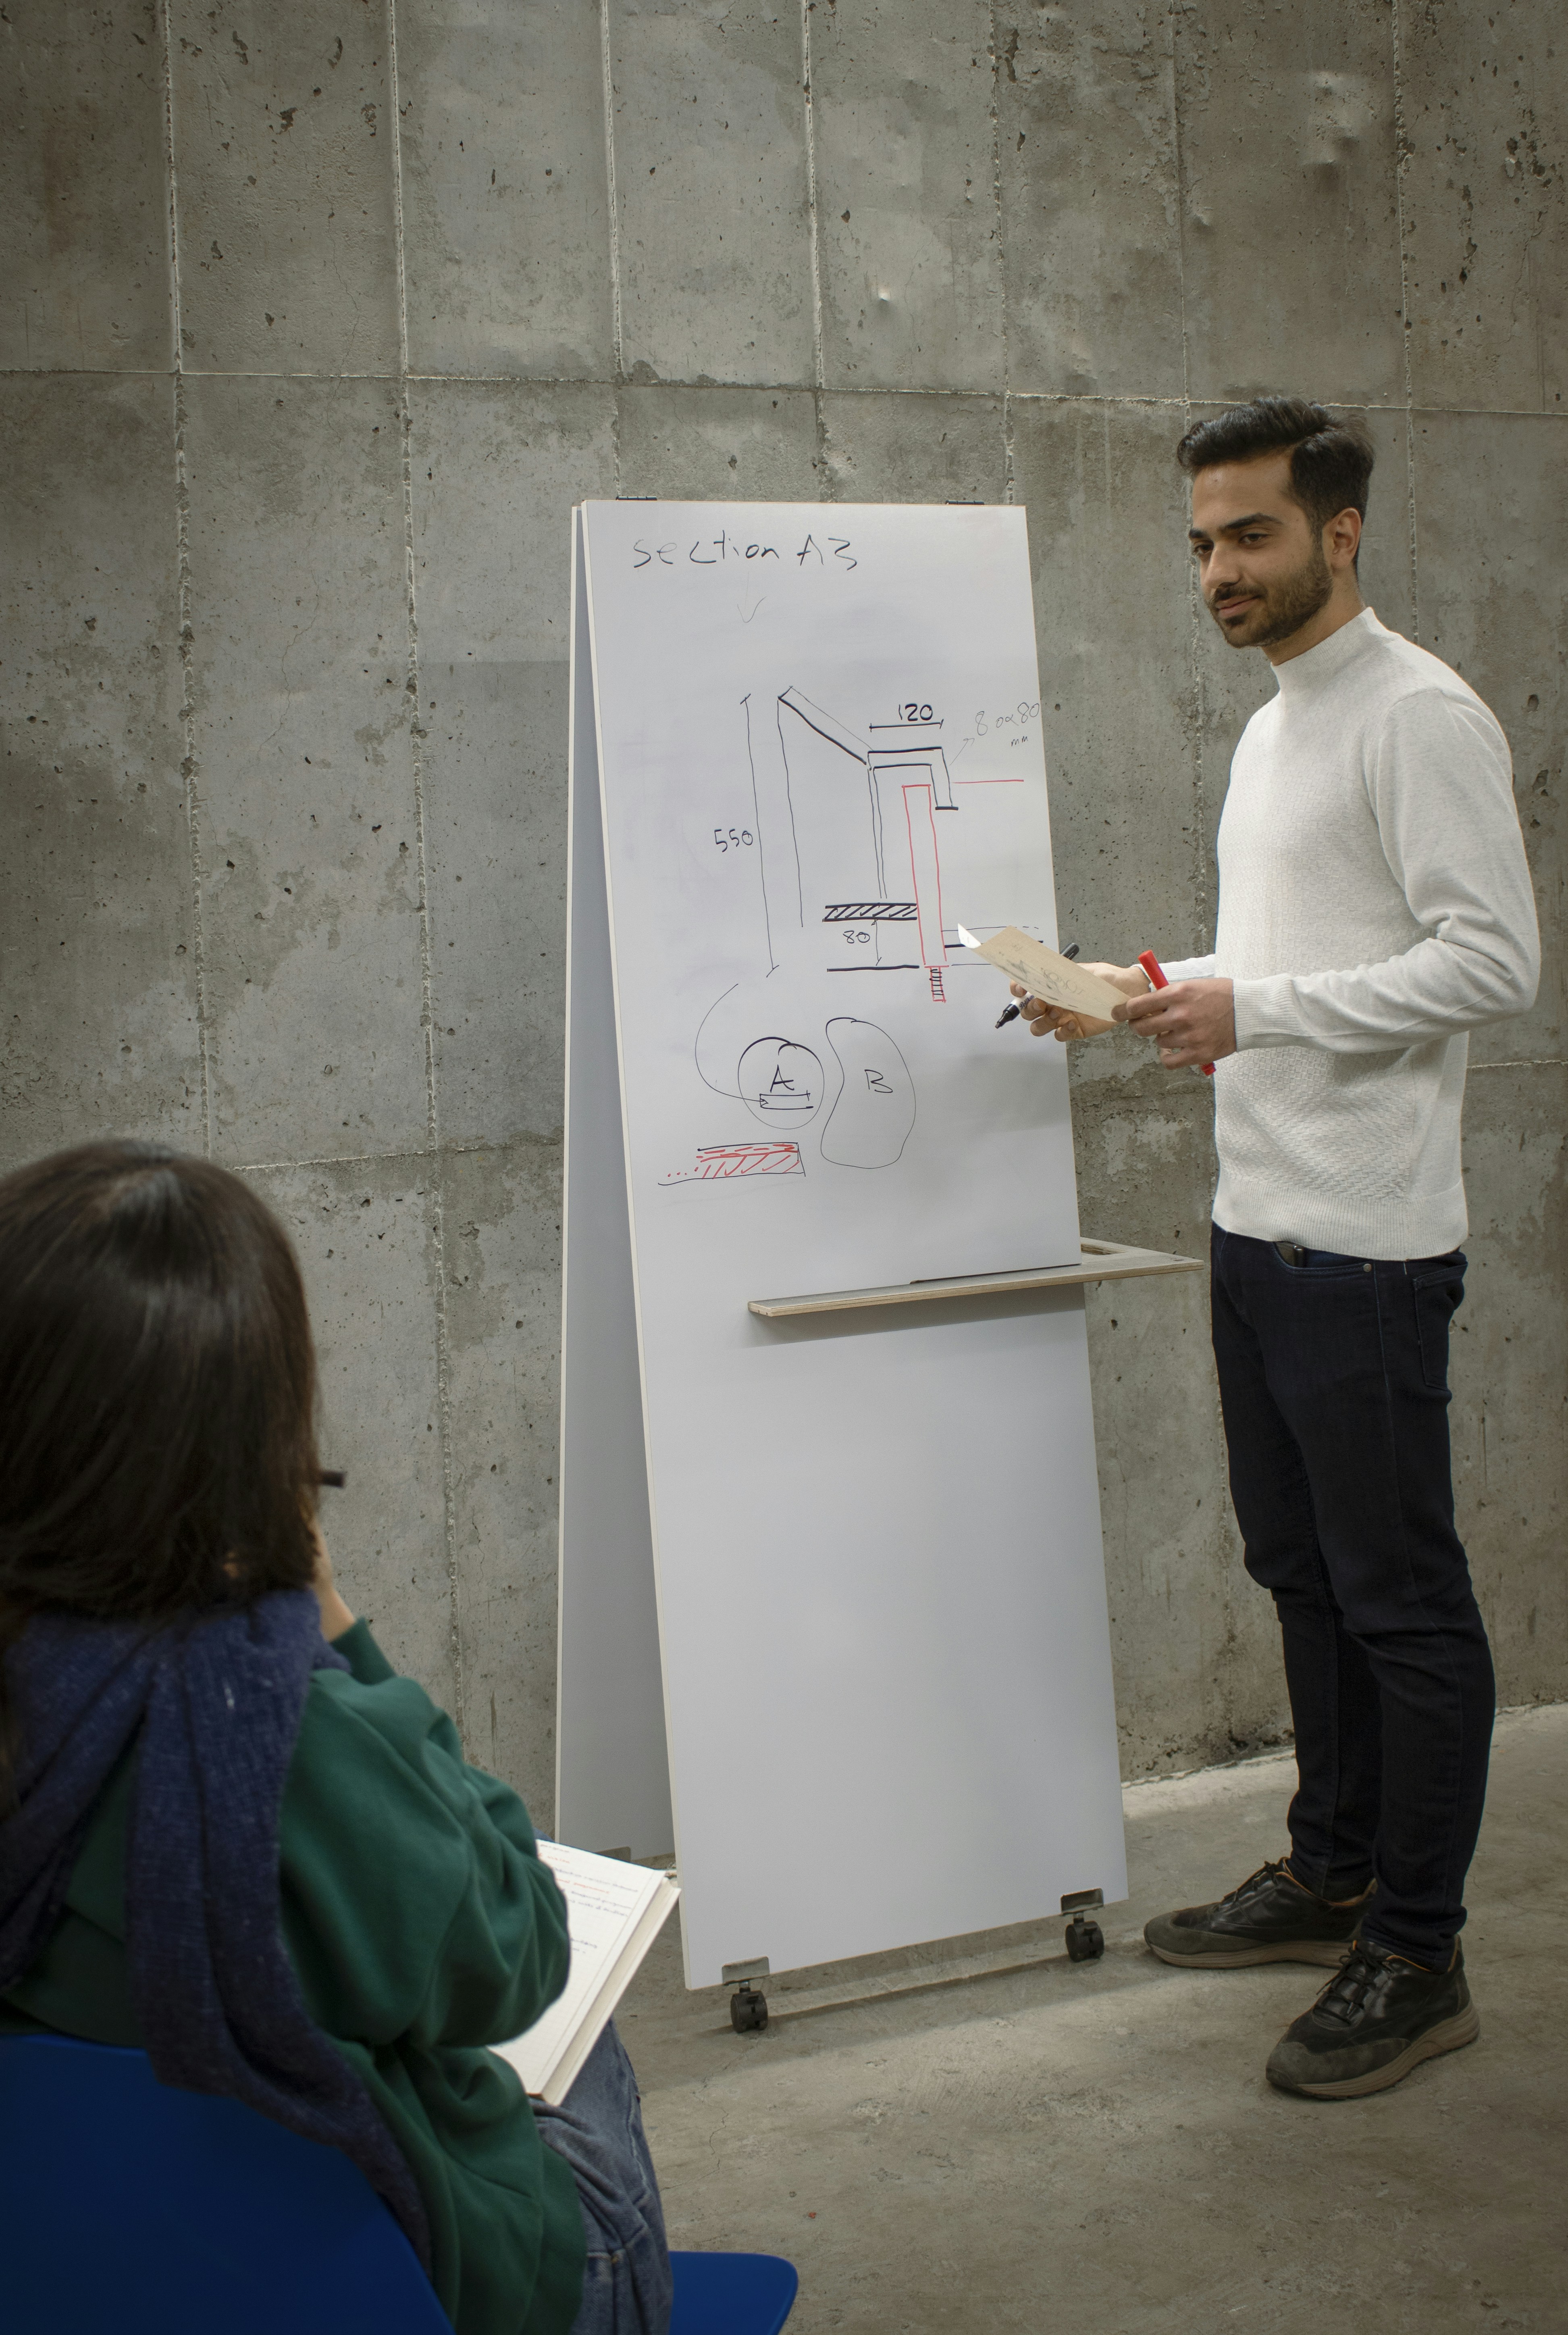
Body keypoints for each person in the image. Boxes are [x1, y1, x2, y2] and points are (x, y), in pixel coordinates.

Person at [1016, 396, 1539, 2099]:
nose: (1215, 569)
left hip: (1369, 1250)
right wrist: (1139, 1000)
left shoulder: (1416, 715)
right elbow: (1289, 966)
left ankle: (1422, 1942)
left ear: (1340, 533)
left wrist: (1259, 1006)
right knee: (1300, 1575)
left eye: (1246, 534)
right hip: (1258, 1225)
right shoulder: (1272, 729)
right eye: (1197, 540)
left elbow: (1491, 966)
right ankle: (1330, 1868)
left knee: (1402, 1602)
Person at [0, 1140, 672, 2332]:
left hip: (72, 2272)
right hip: (373, 2288)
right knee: (584, 2028)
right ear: (254, 1426)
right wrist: (335, 1626)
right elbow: (515, 1954)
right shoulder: (277, 1741)